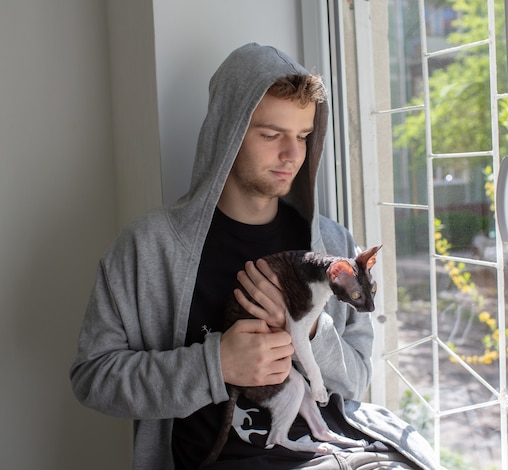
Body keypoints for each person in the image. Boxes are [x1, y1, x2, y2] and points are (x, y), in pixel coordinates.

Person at [70, 43, 438, 470]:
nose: (292, 154)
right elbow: (93, 378)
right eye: (271, 135)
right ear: (226, 132)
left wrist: (313, 329)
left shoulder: (334, 245)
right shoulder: (148, 248)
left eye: (303, 136)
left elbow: (355, 381)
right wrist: (216, 363)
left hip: (335, 451)